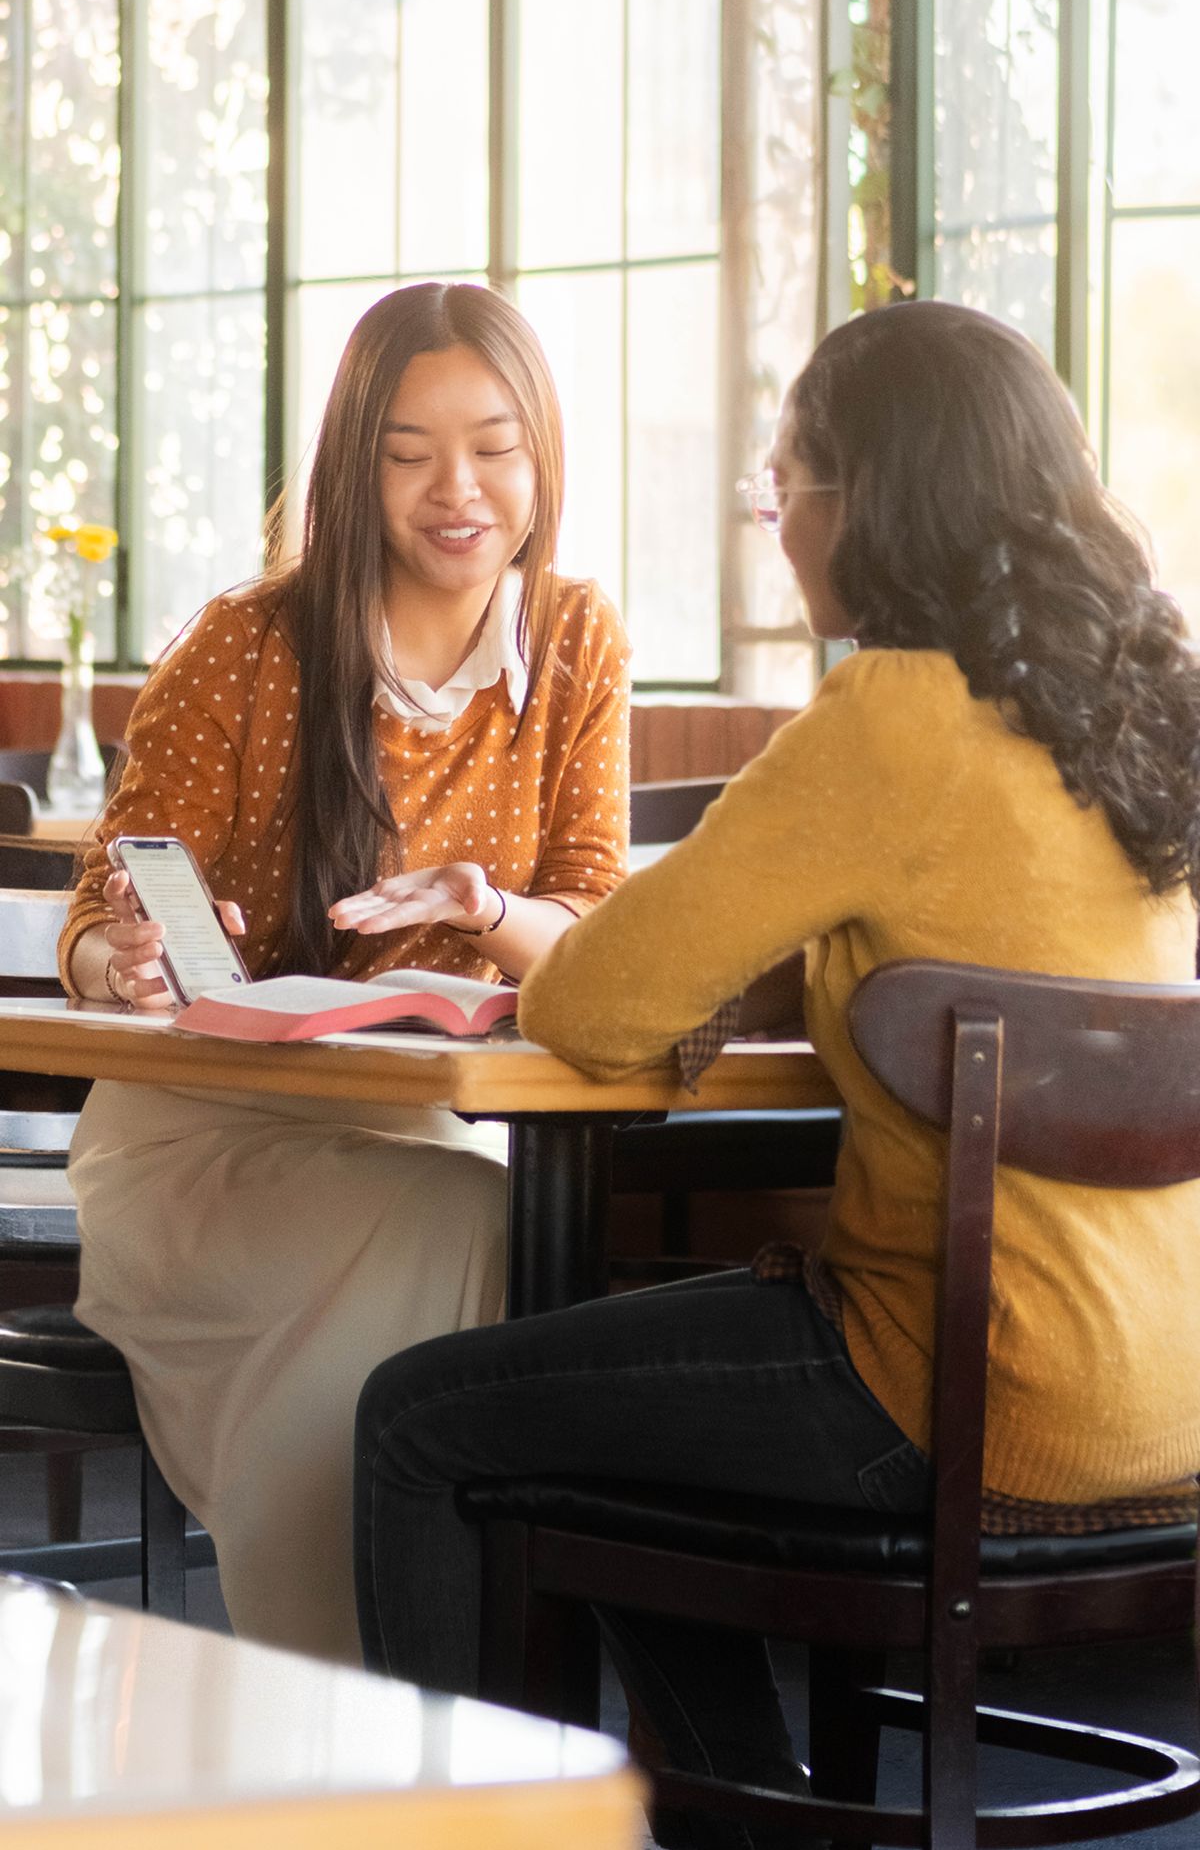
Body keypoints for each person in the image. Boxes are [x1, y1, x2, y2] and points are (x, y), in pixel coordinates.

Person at [355, 299, 1200, 1833]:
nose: (778, 522)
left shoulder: (886, 711)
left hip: (957, 1384)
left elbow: (600, 1004)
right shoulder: (1138, 722)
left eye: (786, 482)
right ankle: (748, 1818)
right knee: (616, 1443)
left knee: (423, 1416)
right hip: (1166, 1389)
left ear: (865, 497)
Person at [60, 281, 629, 1662]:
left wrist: (489, 909)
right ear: (350, 464)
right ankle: (368, 1707)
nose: (459, 489)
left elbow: (598, 939)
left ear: (542, 454)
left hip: (427, 1130)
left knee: (485, 1223)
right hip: (199, 1147)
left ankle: (430, 1712)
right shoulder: (245, 645)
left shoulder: (578, 642)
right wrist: (119, 958)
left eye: (495, 444)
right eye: (408, 451)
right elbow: (96, 916)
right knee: (475, 1233)